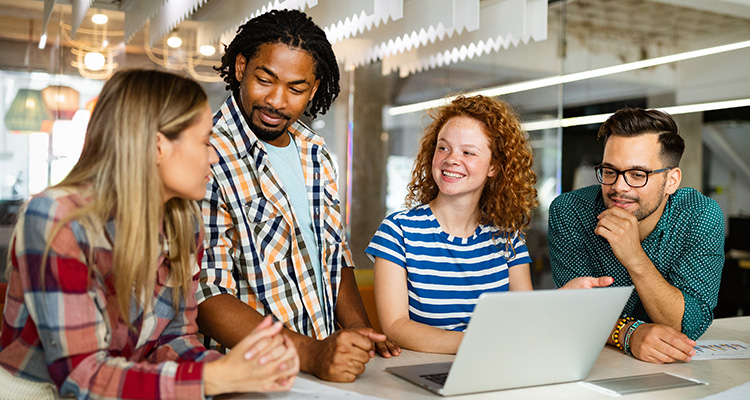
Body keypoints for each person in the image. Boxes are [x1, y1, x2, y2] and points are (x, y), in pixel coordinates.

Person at [0, 69, 299, 400]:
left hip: (131, 386)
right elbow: (80, 376)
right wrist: (211, 379)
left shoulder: (184, 220)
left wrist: (240, 372)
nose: (213, 157)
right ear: (158, 146)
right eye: (204, 142)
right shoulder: (57, 217)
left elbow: (175, 337)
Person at [196, 9, 399, 383]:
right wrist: (310, 354)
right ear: (241, 67)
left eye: (296, 88)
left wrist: (359, 333)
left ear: (315, 88)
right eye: (265, 79)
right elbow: (206, 296)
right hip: (249, 378)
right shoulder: (205, 154)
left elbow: (333, 256)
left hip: (322, 371)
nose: (276, 100)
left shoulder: (314, 152)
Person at [366, 95, 613, 354]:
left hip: (493, 366)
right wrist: (478, 344)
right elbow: (396, 326)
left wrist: (561, 299)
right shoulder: (397, 231)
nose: (451, 159)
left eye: (468, 152)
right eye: (443, 147)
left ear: (494, 166)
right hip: (423, 372)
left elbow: (524, 318)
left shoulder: (508, 238)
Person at [548, 107, 725, 364]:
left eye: (637, 174)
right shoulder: (570, 211)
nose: (619, 187)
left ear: (672, 181)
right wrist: (628, 334)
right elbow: (575, 309)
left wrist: (634, 256)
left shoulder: (700, 215)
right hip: (594, 362)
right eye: (610, 171)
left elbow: (689, 325)